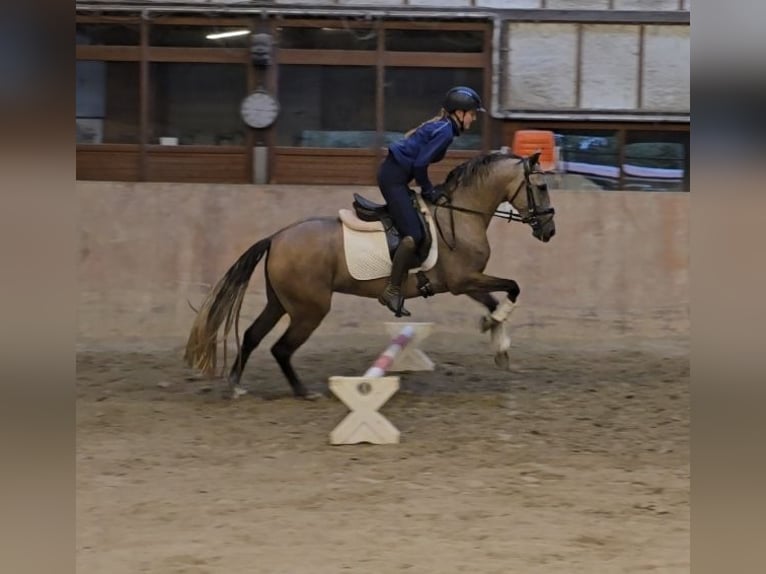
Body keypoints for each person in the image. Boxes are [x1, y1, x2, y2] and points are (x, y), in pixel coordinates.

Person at [376, 86, 485, 317]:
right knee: (413, 236)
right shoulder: (445, 131)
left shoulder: (444, 127)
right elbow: (419, 165)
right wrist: (428, 189)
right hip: (393, 180)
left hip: (398, 177)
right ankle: (392, 291)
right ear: (459, 113)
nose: (474, 118)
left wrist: (429, 189)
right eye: (473, 113)